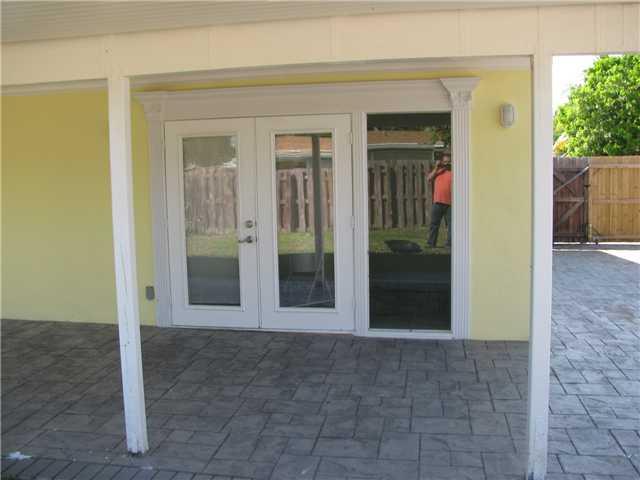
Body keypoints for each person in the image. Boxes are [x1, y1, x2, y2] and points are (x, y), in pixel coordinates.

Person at [427, 151, 452, 248]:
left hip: (450, 203)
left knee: (451, 225)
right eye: (445, 162)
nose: (446, 164)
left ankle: (449, 244)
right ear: (441, 161)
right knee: (434, 224)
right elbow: (429, 179)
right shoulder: (437, 171)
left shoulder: (453, 172)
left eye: (448, 162)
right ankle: (431, 243)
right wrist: (436, 168)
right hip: (438, 202)